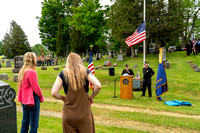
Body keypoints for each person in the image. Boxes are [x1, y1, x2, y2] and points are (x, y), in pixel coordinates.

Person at [51, 53, 101, 133]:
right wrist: (91, 96)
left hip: (68, 115)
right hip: (84, 114)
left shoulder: (62, 74)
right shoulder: (86, 72)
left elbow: (54, 92)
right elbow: (98, 85)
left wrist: (63, 97)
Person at [17, 52, 45, 133]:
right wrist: (41, 97)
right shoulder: (31, 72)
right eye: (35, 58)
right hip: (32, 100)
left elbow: (20, 87)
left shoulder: (22, 71)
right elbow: (36, 88)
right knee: (34, 125)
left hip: (24, 100)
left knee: (25, 123)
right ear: (33, 60)